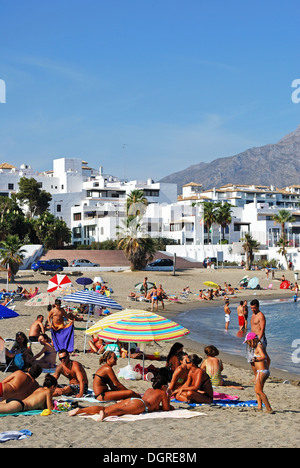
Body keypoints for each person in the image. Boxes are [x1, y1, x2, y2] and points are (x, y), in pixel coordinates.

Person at [69, 367, 173, 419]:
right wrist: (169, 395)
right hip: (141, 405)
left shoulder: (149, 390)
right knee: (121, 410)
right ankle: (106, 414)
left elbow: (155, 406)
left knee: (106, 408)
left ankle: (80, 410)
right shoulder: (163, 393)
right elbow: (166, 409)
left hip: (134, 400)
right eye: (166, 387)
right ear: (164, 386)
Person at [243, 332, 274, 414]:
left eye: (248, 343)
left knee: (259, 391)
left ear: (252, 341)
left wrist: (257, 360)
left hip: (262, 371)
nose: (248, 345)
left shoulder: (259, 347)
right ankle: (259, 407)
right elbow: (268, 359)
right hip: (263, 371)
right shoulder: (260, 347)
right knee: (257, 390)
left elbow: (264, 357)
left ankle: (269, 409)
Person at [250, 299, 270, 369]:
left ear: (258, 307)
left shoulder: (260, 315)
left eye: (254, 308)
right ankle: (256, 375)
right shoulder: (253, 314)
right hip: (253, 338)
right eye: (251, 308)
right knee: (252, 357)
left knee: (262, 355)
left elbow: (262, 329)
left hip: (260, 338)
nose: (253, 309)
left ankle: (266, 370)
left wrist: (258, 340)